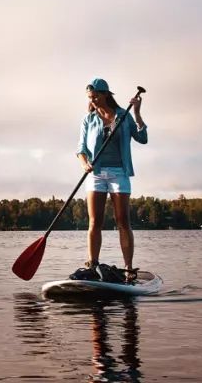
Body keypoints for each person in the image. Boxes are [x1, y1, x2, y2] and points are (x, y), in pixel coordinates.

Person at [72, 78, 147, 283]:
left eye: (95, 96)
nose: (93, 100)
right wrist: (84, 164)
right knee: (94, 221)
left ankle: (129, 269)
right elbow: (80, 149)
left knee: (123, 221)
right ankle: (92, 264)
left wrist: (137, 114)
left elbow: (142, 138)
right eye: (90, 97)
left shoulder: (123, 116)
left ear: (106, 94)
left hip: (118, 173)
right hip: (95, 174)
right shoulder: (88, 119)